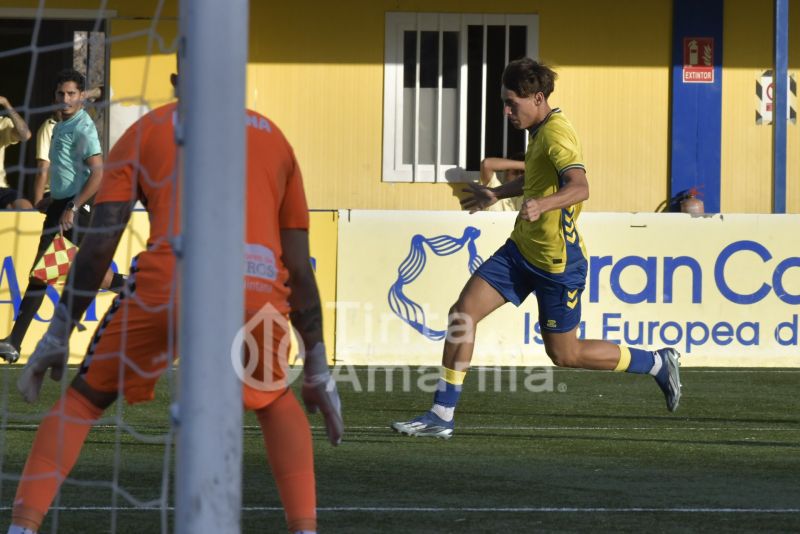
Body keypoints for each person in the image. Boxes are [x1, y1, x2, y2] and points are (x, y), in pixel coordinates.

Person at [7, 69, 343, 534]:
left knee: (84, 400)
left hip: (167, 286)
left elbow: (101, 244)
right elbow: (300, 268)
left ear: (174, 78)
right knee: (273, 401)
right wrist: (319, 369)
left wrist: (57, 334)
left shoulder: (147, 130)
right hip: (253, 287)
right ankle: (305, 529)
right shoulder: (276, 140)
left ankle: (22, 528)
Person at [392, 58, 681, 439]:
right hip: (520, 251)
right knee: (462, 313)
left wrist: (542, 205)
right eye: (505, 102)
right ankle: (441, 415)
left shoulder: (558, 134)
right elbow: (537, 179)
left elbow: (580, 186)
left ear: (538, 98)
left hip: (557, 264)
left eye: (512, 103)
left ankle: (656, 362)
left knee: (565, 354)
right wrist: (497, 193)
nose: (507, 110)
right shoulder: (538, 131)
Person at [0, 70, 124, 364]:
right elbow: (68, 173)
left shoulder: (82, 128)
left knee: (42, 275)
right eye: (61, 94)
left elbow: (97, 172)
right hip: (60, 206)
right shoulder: (59, 125)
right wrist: (50, 200)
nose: (66, 99)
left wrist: (73, 206)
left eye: (71, 94)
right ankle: (138, 288)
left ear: (81, 96)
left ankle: (13, 342)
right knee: (79, 274)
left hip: (75, 210)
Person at [0, 95, 32, 188]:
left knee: (23, 203)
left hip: (1, 188)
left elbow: (25, 135)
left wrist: (6, 104)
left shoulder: (2, 123)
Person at [32, 107, 60, 210]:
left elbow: (100, 92)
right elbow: (42, 169)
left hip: (82, 193)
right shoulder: (49, 127)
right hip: (55, 195)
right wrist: (38, 205)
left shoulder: (81, 125)